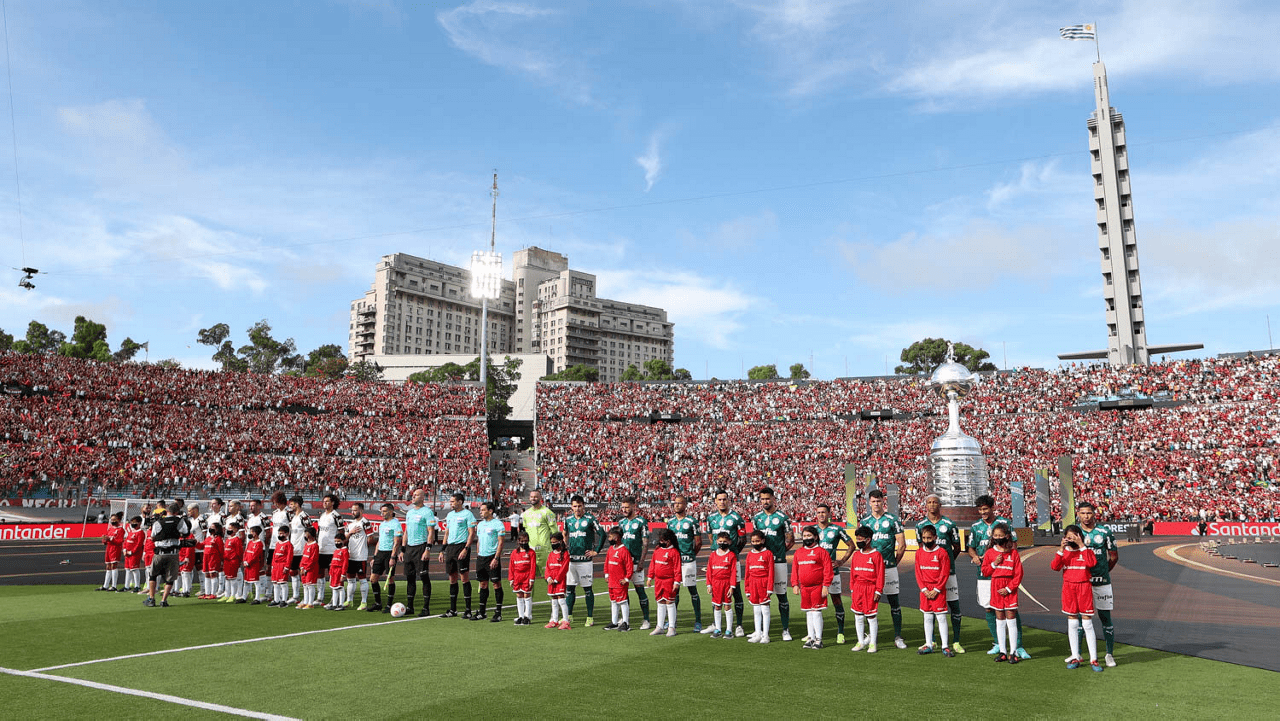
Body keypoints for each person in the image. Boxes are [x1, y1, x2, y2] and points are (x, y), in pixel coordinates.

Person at [967, 495, 1028, 659]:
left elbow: (1014, 543)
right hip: (985, 573)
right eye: (980, 510)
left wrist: (1008, 556)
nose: (982, 512)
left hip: (1005, 574)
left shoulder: (1004, 523)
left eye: (985, 509)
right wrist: (974, 557)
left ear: (992, 508)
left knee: (1011, 610)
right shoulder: (975, 526)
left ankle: (1019, 646)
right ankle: (998, 644)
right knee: (989, 608)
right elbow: (970, 548)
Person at [915, 493, 964, 653]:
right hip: (930, 577)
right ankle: (932, 642)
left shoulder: (949, 524)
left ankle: (955, 641)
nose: (932, 505)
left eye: (935, 502)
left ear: (939, 504)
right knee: (931, 610)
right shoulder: (920, 525)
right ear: (926, 505)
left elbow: (957, 546)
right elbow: (922, 548)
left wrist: (947, 564)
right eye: (929, 502)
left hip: (947, 574)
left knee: (953, 607)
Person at [860, 488, 907, 649]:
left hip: (889, 568)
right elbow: (862, 546)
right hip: (870, 571)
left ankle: (898, 636)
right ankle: (869, 635)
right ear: (869, 502)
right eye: (873, 501)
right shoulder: (865, 522)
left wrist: (894, 562)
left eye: (879, 501)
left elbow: (902, 545)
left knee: (894, 602)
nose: (876, 504)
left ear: (883, 502)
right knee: (870, 604)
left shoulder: (893, 520)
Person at [1052, 524, 1103, 672]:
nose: (1071, 539)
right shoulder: (1065, 552)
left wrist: (1081, 545)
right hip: (1069, 588)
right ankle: (1075, 656)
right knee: (1072, 622)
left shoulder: (1085, 550)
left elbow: (1092, 563)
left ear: (1080, 536)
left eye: (1074, 536)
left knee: (1087, 623)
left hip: (1084, 587)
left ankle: (1094, 659)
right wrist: (1061, 549)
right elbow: (1054, 567)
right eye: (1068, 536)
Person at [1076, 501, 1119, 667]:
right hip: (1082, 583)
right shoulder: (1074, 532)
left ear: (1094, 514)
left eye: (1089, 513)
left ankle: (1109, 654)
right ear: (1078, 514)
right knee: (1080, 620)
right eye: (1083, 513)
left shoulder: (1105, 532)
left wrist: (1104, 572)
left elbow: (1114, 557)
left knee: (1105, 617)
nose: (1086, 516)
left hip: (1102, 582)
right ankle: (1078, 654)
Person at [752, 487, 794, 641]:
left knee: (782, 595)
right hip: (762, 564)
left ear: (773, 499)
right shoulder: (757, 518)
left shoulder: (783, 518)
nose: (765, 501)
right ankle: (761, 632)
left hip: (779, 562)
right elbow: (755, 539)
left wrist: (780, 551)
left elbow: (790, 540)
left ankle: (785, 629)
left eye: (767, 498)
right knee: (762, 598)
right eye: (762, 499)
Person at [981, 523, 1024, 664]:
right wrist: (994, 563)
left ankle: (1013, 652)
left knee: (1011, 620)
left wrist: (1009, 588)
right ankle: (1003, 652)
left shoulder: (1013, 553)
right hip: (996, 587)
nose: (998, 538)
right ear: (992, 537)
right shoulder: (989, 553)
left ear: (1006, 536)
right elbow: (985, 571)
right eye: (995, 536)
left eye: (1000, 535)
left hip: (1009, 588)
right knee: (999, 620)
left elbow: (1018, 574)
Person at [706, 490, 747, 637]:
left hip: (732, 560)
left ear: (728, 501)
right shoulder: (710, 518)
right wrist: (719, 552)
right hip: (716, 559)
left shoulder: (737, 518)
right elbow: (711, 538)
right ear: (715, 501)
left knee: (735, 591)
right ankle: (716, 625)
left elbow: (743, 539)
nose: (722, 502)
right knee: (716, 592)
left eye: (724, 499)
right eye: (719, 499)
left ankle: (739, 625)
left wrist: (733, 552)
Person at [814, 503, 854, 644]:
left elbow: (851, 545)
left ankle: (841, 632)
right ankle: (812, 634)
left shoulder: (837, 529)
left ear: (829, 514)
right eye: (819, 512)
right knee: (814, 603)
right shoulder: (812, 530)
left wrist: (842, 561)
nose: (821, 515)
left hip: (832, 572)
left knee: (836, 601)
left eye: (824, 512)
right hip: (815, 573)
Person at [914, 525, 954, 657]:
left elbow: (944, 573)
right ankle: (929, 644)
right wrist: (924, 589)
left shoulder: (942, 553)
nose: (926, 540)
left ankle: (945, 646)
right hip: (925, 591)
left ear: (935, 537)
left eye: (929, 537)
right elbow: (918, 573)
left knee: (941, 617)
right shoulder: (919, 553)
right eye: (924, 538)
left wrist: (937, 589)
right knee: (927, 617)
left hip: (938, 590)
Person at [564, 495, 605, 627]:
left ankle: (590, 617)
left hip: (585, 561)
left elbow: (602, 534)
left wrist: (596, 551)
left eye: (579, 506)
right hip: (571, 560)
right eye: (574, 506)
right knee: (569, 589)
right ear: (571, 507)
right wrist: (565, 547)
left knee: (587, 589)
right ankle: (568, 616)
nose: (577, 509)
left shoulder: (590, 519)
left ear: (584, 506)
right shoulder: (568, 519)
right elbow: (565, 534)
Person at [791, 525, 833, 650]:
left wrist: (826, 585)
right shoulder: (798, 552)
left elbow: (828, 570)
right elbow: (795, 570)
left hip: (817, 587)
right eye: (804, 536)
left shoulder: (822, 552)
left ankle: (819, 639)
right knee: (808, 612)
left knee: (816, 612)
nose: (807, 538)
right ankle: (811, 637)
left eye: (809, 535)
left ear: (815, 537)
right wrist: (794, 584)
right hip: (804, 587)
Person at [667, 495, 703, 632]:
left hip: (688, 561)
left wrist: (691, 554)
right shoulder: (670, 522)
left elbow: (698, 542)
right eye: (674, 503)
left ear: (685, 505)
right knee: (674, 591)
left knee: (692, 590)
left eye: (679, 503)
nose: (676, 505)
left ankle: (698, 621)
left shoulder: (692, 522)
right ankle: (672, 621)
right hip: (673, 562)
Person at [145, 501, 191, 608]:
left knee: (153, 575)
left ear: (167, 511)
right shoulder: (180, 521)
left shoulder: (158, 522)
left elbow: (152, 536)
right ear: (176, 512)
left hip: (160, 552)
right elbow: (185, 532)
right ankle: (163, 600)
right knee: (170, 577)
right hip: (173, 552)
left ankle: (151, 598)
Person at [439, 493, 477, 619]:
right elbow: (447, 533)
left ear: (460, 502)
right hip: (450, 548)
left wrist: (466, 548)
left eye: (453, 501)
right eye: (450, 502)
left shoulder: (468, 514)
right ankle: (453, 610)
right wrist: (442, 550)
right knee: (452, 578)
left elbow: (471, 533)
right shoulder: (449, 515)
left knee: (464, 578)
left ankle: (468, 610)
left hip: (462, 547)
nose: (451, 504)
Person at [401, 488, 438, 617]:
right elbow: (406, 532)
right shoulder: (409, 513)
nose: (413, 497)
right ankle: (409, 607)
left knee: (423, 577)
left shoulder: (427, 512)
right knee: (410, 578)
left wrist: (428, 549)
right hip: (409, 549)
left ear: (423, 498)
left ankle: (426, 608)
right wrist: (403, 549)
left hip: (421, 547)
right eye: (413, 495)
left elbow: (431, 532)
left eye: (416, 495)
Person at [848, 526, 885, 653]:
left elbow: (880, 574)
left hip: (870, 588)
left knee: (871, 617)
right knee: (858, 616)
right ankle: (860, 642)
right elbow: (852, 573)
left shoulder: (876, 555)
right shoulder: (856, 555)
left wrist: (878, 590)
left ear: (868, 540)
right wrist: (852, 589)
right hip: (858, 588)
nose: (858, 541)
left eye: (860, 539)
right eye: (857, 538)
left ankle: (873, 644)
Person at [618, 496, 652, 630]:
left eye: (627, 507)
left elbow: (645, 543)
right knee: (623, 591)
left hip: (636, 562)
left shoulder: (641, 522)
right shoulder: (621, 523)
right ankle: (625, 618)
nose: (625, 510)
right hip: (622, 564)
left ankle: (646, 619)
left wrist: (642, 562)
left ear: (633, 507)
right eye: (623, 507)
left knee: (640, 590)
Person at [473, 501, 506, 622]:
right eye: (480, 510)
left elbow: (501, 542)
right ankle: (482, 612)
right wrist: (478, 555)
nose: (481, 512)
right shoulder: (480, 525)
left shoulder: (498, 524)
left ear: (490, 511)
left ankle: (498, 613)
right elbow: (479, 541)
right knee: (483, 584)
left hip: (492, 557)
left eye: (483, 510)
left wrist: (496, 558)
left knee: (496, 584)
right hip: (481, 558)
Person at [647, 528, 681, 637]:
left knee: (670, 603)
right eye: (660, 540)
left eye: (663, 540)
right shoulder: (657, 550)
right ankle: (659, 627)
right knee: (660, 602)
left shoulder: (674, 552)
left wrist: (677, 582)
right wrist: (649, 577)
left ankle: (671, 627)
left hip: (669, 581)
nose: (660, 542)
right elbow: (653, 564)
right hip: (658, 581)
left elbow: (677, 568)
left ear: (669, 541)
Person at [705, 531, 738, 638]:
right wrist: (709, 585)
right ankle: (718, 629)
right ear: (716, 542)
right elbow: (709, 571)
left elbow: (733, 572)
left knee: (727, 606)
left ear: (729, 542)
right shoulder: (713, 555)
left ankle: (729, 630)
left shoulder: (731, 555)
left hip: (726, 584)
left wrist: (732, 586)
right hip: (715, 584)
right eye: (720, 541)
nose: (722, 543)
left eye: (724, 541)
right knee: (717, 606)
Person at [370, 503, 402, 614]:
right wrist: (375, 556)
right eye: (381, 511)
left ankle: (389, 605)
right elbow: (379, 541)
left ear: (390, 511)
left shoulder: (396, 524)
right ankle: (378, 603)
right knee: (373, 579)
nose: (381, 513)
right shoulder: (382, 524)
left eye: (384, 511)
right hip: (380, 554)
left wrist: (393, 557)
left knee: (390, 580)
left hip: (389, 553)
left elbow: (397, 542)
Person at [744, 530, 775, 644]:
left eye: (757, 541)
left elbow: (771, 572)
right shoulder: (750, 554)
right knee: (756, 609)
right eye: (753, 541)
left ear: (763, 540)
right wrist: (747, 589)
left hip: (763, 583)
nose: (755, 543)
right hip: (753, 584)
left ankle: (766, 635)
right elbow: (747, 573)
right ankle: (758, 633)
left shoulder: (768, 554)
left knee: (765, 609)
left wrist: (769, 587)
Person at [603, 527, 633, 632]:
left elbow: (629, 566)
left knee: (623, 602)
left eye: (610, 536)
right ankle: (614, 622)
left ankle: (626, 623)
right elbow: (607, 562)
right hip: (611, 581)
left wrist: (627, 578)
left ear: (616, 537)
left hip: (620, 582)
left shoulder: (624, 550)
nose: (609, 538)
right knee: (613, 602)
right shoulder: (611, 549)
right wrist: (606, 575)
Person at [316, 494, 343, 607]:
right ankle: (320, 597)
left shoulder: (336, 516)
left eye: (327, 501)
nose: (325, 503)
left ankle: (334, 598)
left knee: (333, 574)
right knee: (320, 573)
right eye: (324, 501)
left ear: (333, 503)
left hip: (332, 550)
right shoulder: (322, 516)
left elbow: (341, 533)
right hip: (321, 549)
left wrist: (339, 548)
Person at [344, 502, 373, 610]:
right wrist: (350, 532)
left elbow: (371, 538)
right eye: (352, 510)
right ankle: (349, 601)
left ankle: (364, 602)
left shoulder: (365, 522)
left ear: (361, 511)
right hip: (351, 556)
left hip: (360, 556)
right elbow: (345, 539)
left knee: (362, 579)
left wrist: (364, 548)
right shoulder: (350, 525)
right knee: (350, 579)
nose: (352, 512)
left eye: (355, 510)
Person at [520, 490, 558, 567]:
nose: (533, 498)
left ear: (540, 498)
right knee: (530, 577)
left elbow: (555, 532)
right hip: (530, 550)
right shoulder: (526, 514)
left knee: (548, 577)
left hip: (545, 551)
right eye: (531, 497)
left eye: (535, 497)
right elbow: (525, 532)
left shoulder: (547, 512)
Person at [508, 530, 537, 626]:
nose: (524, 543)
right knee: (519, 596)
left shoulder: (531, 552)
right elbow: (511, 566)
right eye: (522, 541)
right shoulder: (514, 553)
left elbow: (533, 567)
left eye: (526, 541)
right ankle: (520, 616)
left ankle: (527, 616)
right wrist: (511, 579)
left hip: (526, 577)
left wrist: (531, 579)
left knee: (526, 596)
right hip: (517, 577)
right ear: (518, 541)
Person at [287, 496, 312, 606]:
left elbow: (310, 531)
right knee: (293, 572)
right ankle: (295, 596)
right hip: (293, 549)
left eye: (292, 504)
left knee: (303, 574)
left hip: (302, 550)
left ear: (297, 504)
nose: (290, 506)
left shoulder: (304, 516)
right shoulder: (293, 517)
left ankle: (306, 598)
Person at [545, 531, 571, 629]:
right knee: (554, 600)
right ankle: (554, 620)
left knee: (561, 600)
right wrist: (548, 578)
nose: (553, 544)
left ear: (560, 541)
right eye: (551, 542)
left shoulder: (565, 554)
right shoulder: (551, 554)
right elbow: (547, 567)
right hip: (551, 581)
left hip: (559, 581)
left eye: (555, 542)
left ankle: (565, 621)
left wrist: (556, 579)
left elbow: (564, 568)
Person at [268, 491, 289, 602]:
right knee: (272, 569)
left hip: (284, 544)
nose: (275, 504)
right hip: (274, 544)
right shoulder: (274, 513)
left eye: (276, 502)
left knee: (283, 571)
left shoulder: (288, 512)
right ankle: (273, 595)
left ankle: (283, 597)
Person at [99, 512, 125, 592]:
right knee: (108, 566)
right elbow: (106, 539)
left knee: (114, 566)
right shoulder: (110, 529)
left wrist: (110, 539)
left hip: (115, 549)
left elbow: (119, 541)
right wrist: (104, 539)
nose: (112, 521)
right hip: (109, 549)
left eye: (114, 519)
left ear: (118, 520)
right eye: (112, 519)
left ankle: (114, 585)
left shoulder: (120, 530)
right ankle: (105, 585)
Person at [270, 525, 294, 608]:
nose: (280, 535)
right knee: (275, 583)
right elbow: (274, 555)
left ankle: (284, 600)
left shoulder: (288, 544)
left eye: (282, 534)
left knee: (283, 583)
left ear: (287, 534)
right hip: (276, 566)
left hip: (282, 565)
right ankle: (276, 600)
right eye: (279, 533)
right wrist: (272, 565)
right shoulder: (277, 543)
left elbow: (289, 557)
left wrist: (287, 567)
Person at [220, 522, 244, 603]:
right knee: (227, 578)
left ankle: (233, 595)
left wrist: (239, 561)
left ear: (236, 530)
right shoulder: (227, 539)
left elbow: (239, 552)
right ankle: (227, 594)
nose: (229, 530)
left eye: (231, 529)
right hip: (226, 561)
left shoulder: (237, 539)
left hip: (233, 561)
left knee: (232, 578)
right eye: (228, 528)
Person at [325, 532, 350, 611]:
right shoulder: (335, 551)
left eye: (339, 541)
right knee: (334, 588)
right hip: (334, 572)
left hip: (339, 571)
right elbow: (332, 564)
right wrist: (331, 575)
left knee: (340, 588)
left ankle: (341, 604)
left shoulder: (345, 551)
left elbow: (345, 563)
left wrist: (343, 574)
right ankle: (334, 604)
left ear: (343, 541)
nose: (337, 543)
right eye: (335, 541)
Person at [242, 526, 266, 605]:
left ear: (256, 533)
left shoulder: (259, 543)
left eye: (252, 532)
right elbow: (246, 552)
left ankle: (257, 598)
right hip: (247, 565)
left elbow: (255, 555)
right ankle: (244, 597)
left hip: (253, 565)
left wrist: (249, 562)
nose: (250, 533)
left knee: (256, 582)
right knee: (246, 582)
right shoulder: (250, 542)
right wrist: (245, 561)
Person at [201, 523, 224, 600]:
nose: (210, 528)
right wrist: (195, 543)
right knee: (207, 575)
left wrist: (221, 560)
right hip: (206, 558)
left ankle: (213, 593)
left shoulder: (218, 539)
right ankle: (207, 593)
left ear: (217, 529)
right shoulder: (207, 538)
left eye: (212, 527)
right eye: (210, 527)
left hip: (213, 558)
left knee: (213, 574)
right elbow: (202, 546)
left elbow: (221, 550)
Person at [299, 526, 320, 610]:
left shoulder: (315, 545)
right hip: (304, 568)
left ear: (311, 535)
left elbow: (313, 559)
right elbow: (304, 556)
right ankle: (305, 602)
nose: (305, 535)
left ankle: (310, 603)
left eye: (306, 533)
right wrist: (301, 567)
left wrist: (306, 568)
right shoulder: (306, 544)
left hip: (311, 569)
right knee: (305, 585)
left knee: (310, 585)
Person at [122, 516, 145, 592]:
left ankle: (137, 586)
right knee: (128, 570)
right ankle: (126, 586)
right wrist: (125, 550)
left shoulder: (140, 532)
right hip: (127, 554)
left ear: (139, 523)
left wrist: (132, 551)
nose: (133, 524)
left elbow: (139, 544)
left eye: (135, 522)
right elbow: (126, 541)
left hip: (134, 554)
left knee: (134, 569)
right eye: (132, 522)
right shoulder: (131, 531)